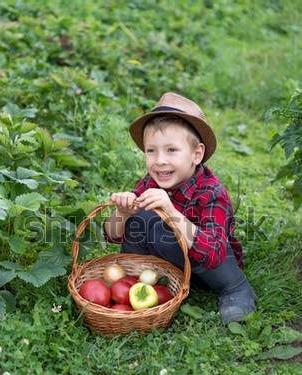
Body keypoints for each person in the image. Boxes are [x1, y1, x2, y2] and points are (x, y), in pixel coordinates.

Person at [104, 92, 257, 324]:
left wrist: (172, 212)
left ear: (197, 154)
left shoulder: (211, 193)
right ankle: (146, 280)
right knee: (138, 218)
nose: (160, 160)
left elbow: (214, 253)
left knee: (172, 225)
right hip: (174, 267)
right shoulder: (150, 182)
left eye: (171, 150)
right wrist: (122, 213)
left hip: (210, 270)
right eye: (151, 150)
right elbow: (111, 235)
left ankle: (236, 290)